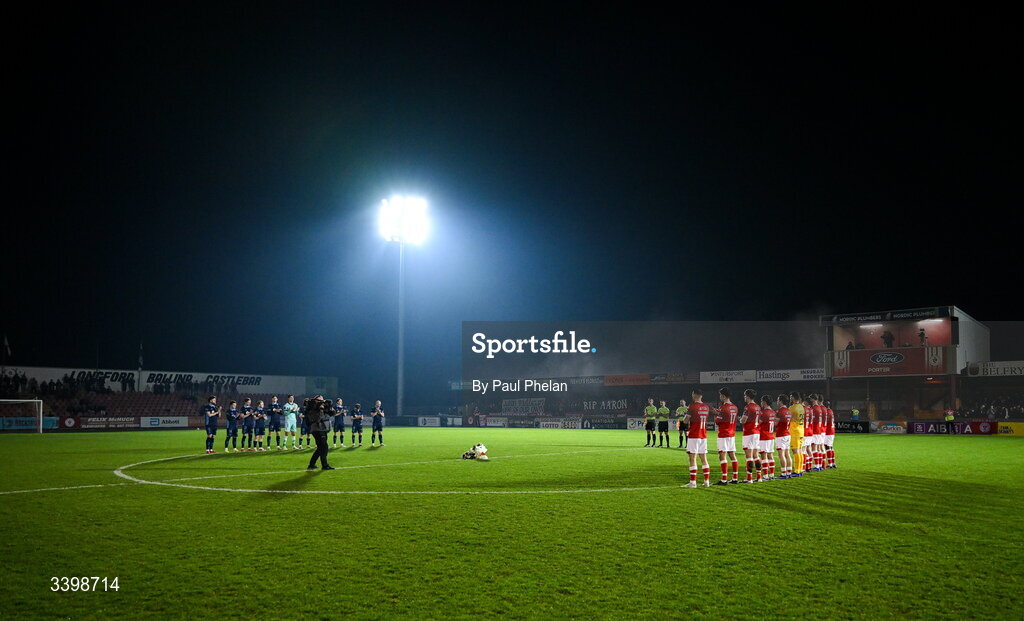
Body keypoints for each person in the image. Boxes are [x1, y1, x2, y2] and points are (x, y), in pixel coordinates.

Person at [682, 389, 711, 488]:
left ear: (694, 395)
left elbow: (686, 421)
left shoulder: (692, 406)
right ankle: (706, 481)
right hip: (703, 435)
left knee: (692, 458)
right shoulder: (706, 407)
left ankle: (693, 482)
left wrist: (684, 416)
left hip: (694, 435)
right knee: (704, 458)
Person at [712, 388, 739, 485]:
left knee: (722, 456)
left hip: (723, 433)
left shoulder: (723, 408)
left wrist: (716, 414)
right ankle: (735, 478)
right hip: (732, 433)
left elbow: (717, 421)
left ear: (723, 396)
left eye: (720, 395)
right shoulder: (735, 407)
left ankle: (724, 480)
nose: (720, 397)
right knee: (732, 455)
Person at [305, 395, 335, 471]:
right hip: (318, 428)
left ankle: (311, 464)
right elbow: (318, 417)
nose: (322, 402)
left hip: (321, 429)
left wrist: (328, 408)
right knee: (324, 447)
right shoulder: (313, 407)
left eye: (322, 400)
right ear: (315, 400)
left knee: (320, 448)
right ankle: (325, 465)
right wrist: (321, 408)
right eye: (320, 400)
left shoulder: (321, 407)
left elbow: (332, 413)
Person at [739, 388, 762, 483]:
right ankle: (759, 477)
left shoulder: (748, 407)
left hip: (749, 432)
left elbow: (743, 420)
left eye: (745, 396)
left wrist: (740, 420)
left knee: (749, 456)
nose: (744, 397)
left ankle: (749, 478)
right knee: (756, 455)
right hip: (756, 432)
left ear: (748, 397)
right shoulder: (758, 407)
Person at [758, 395, 777, 481]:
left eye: (762, 401)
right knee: (770, 455)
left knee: (764, 456)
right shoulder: (773, 412)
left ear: (764, 402)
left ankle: (765, 476)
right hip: (771, 436)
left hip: (764, 436)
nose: (761, 403)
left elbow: (758, 423)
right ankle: (771, 474)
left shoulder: (763, 413)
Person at [774, 394, 793, 478]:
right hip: (787, 434)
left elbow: (775, 423)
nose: (777, 402)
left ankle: (783, 473)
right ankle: (789, 472)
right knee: (787, 454)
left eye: (778, 400)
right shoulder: (789, 411)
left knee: (781, 454)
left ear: (781, 401)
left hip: (781, 434)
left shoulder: (779, 411)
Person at [788, 391, 805, 476]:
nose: (790, 398)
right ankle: (800, 469)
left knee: (796, 451)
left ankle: (797, 471)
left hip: (794, 431)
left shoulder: (792, 408)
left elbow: (788, 418)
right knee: (800, 451)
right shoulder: (801, 407)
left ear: (794, 398)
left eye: (791, 397)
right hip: (801, 430)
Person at [823, 400, 836, 468]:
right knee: (830, 447)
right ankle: (833, 463)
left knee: (827, 447)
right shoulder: (830, 410)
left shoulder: (827, 412)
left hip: (828, 431)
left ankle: (830, 464)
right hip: (832, 431)